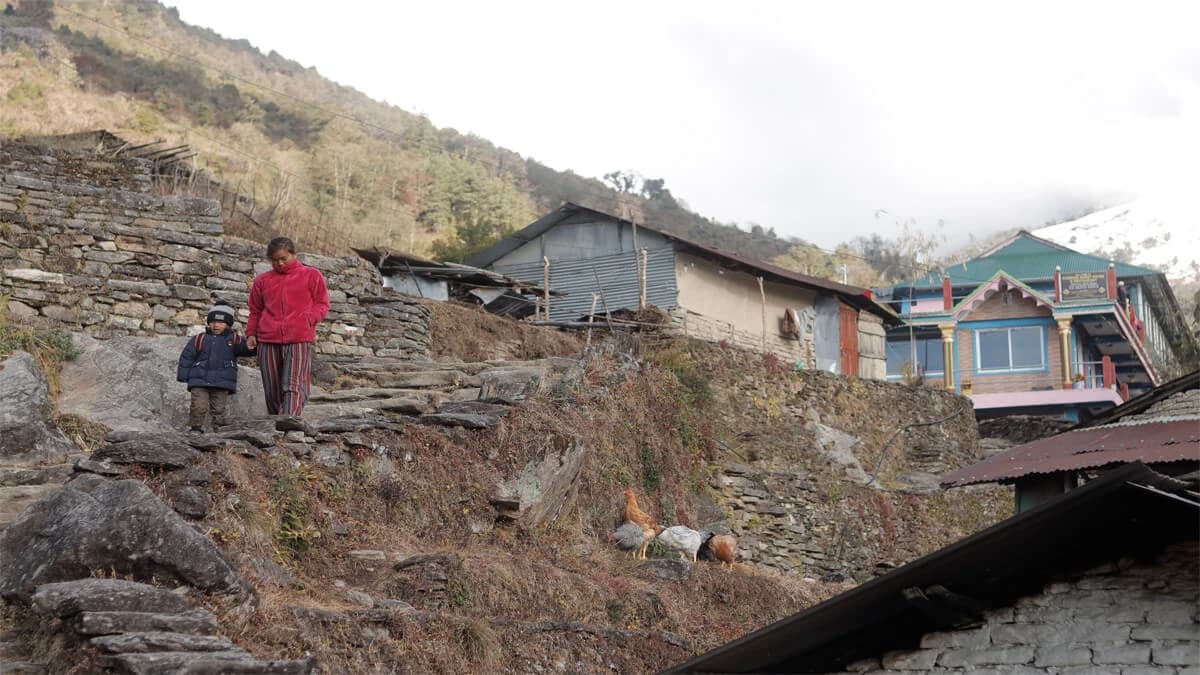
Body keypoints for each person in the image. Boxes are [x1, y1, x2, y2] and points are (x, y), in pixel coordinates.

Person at [245, 237, 330, 418]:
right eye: (275, 260)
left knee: (293, 383)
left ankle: (289, 420)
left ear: (294, 254)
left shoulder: (311, 275)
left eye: (284, 258)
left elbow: (322, 304)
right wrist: (251, 333)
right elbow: (255, 310)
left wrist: (309, 319)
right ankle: (277, 423)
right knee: (272, 386)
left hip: (299, 337)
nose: (280, 263)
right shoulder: (262, 281)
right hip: (267, 339)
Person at [177, 300, 257, 433]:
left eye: (220, 322)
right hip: (199, 380)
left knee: (219, 409)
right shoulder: (199, 339)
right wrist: (183, 375)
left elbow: (247, 349)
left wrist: (252, 347)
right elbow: (187, 357)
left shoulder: (235, 340)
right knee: (198, 406)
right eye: (213, 322)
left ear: (228, 324)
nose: (216, 325)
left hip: (222, 382)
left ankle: (218, 430)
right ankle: (195, 428)